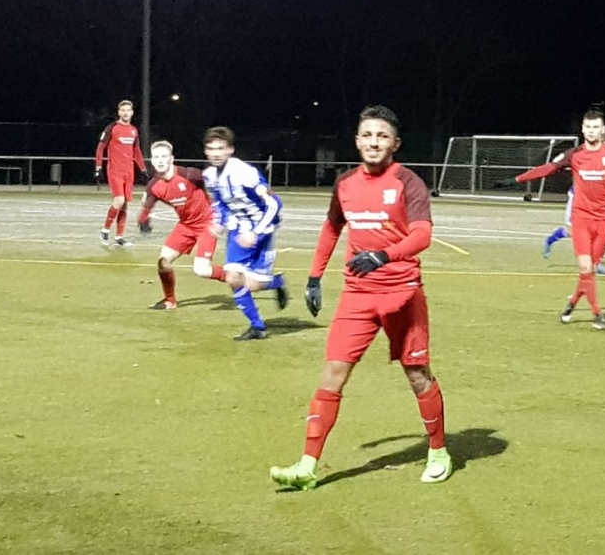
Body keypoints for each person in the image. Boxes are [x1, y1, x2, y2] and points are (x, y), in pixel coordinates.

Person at [270, 105, 452, 490]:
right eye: (367, 135)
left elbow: (422, 235)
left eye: (382, 136)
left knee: (417, 374)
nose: (374, 142)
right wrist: (315, 277)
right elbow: (331, 228)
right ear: (357, 141)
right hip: (357, 295)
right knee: (333, 373)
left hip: (402, 293)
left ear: (395, 143)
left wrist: (385, 255)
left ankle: (438, 451)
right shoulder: (345, 184)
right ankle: (307, 465)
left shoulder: (409, 182)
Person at [517, 111, 605, 330]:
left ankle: (571, 304)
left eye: (595, 127)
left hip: (603, 220)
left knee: (589, 270)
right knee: (585, 266)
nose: (591, 131)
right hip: (580, 218)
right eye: (588, 127)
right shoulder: (574, 154)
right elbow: (548, 168)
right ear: (582, 129)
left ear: (602, 130)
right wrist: (519, 178)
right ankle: (598, 314)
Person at [201, 126, 288, 341]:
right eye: (211, 149)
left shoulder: (244, 173)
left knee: (253, 285)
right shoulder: (209, 175)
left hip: (263, 228)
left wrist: (255, 233)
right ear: (205, 151)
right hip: (238, 228)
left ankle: (277, 282)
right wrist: (218, 222)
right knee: (233, 278)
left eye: (221, 148)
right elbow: (220, 203)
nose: (216, 153)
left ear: (230, 149)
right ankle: (258, 327)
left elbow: (274, 204)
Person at [136, 140, 229, 310]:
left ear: (171, 158)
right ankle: (169, 301)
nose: (160, 160)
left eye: (164, 156)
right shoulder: (154, 185)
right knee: (163, 262)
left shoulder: (188, 174)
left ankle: (238, 278)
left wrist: (219, 210)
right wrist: (143, 218)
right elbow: (148, 203)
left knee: (202, 270)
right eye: (156, 157)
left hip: (207, 224)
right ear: (152, 160)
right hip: (186, 226)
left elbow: (215, 182)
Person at [542, 131, 605, 275]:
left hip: (598, 204)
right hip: (578, 200)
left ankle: (596, 263)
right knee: (574, 232)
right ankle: (550, 240)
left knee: (598, 232)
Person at [94, 99, 148, 247]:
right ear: (119, 112)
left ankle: (119, 237)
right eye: (123, 110)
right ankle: (105, 230)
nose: (125, 113)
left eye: (128, 110)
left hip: (128, 171)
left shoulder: (134, 130)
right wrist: (98, 167)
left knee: (124, 204)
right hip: (115, 170)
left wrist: (143, 169)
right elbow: (100, 147)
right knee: (119, 200)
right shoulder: (112, 128)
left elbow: (136, 151)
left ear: (132, 112)